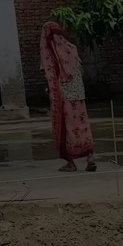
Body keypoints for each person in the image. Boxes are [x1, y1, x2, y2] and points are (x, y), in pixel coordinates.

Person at [40, 22, 96, 172]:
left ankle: (70, 163)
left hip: (63, 98)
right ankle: (90, 157)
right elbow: (80, 72)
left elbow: (50, 75)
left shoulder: (51, 51)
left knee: (66, 128)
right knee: (82, 126)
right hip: (78, 96)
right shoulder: (72, 49)